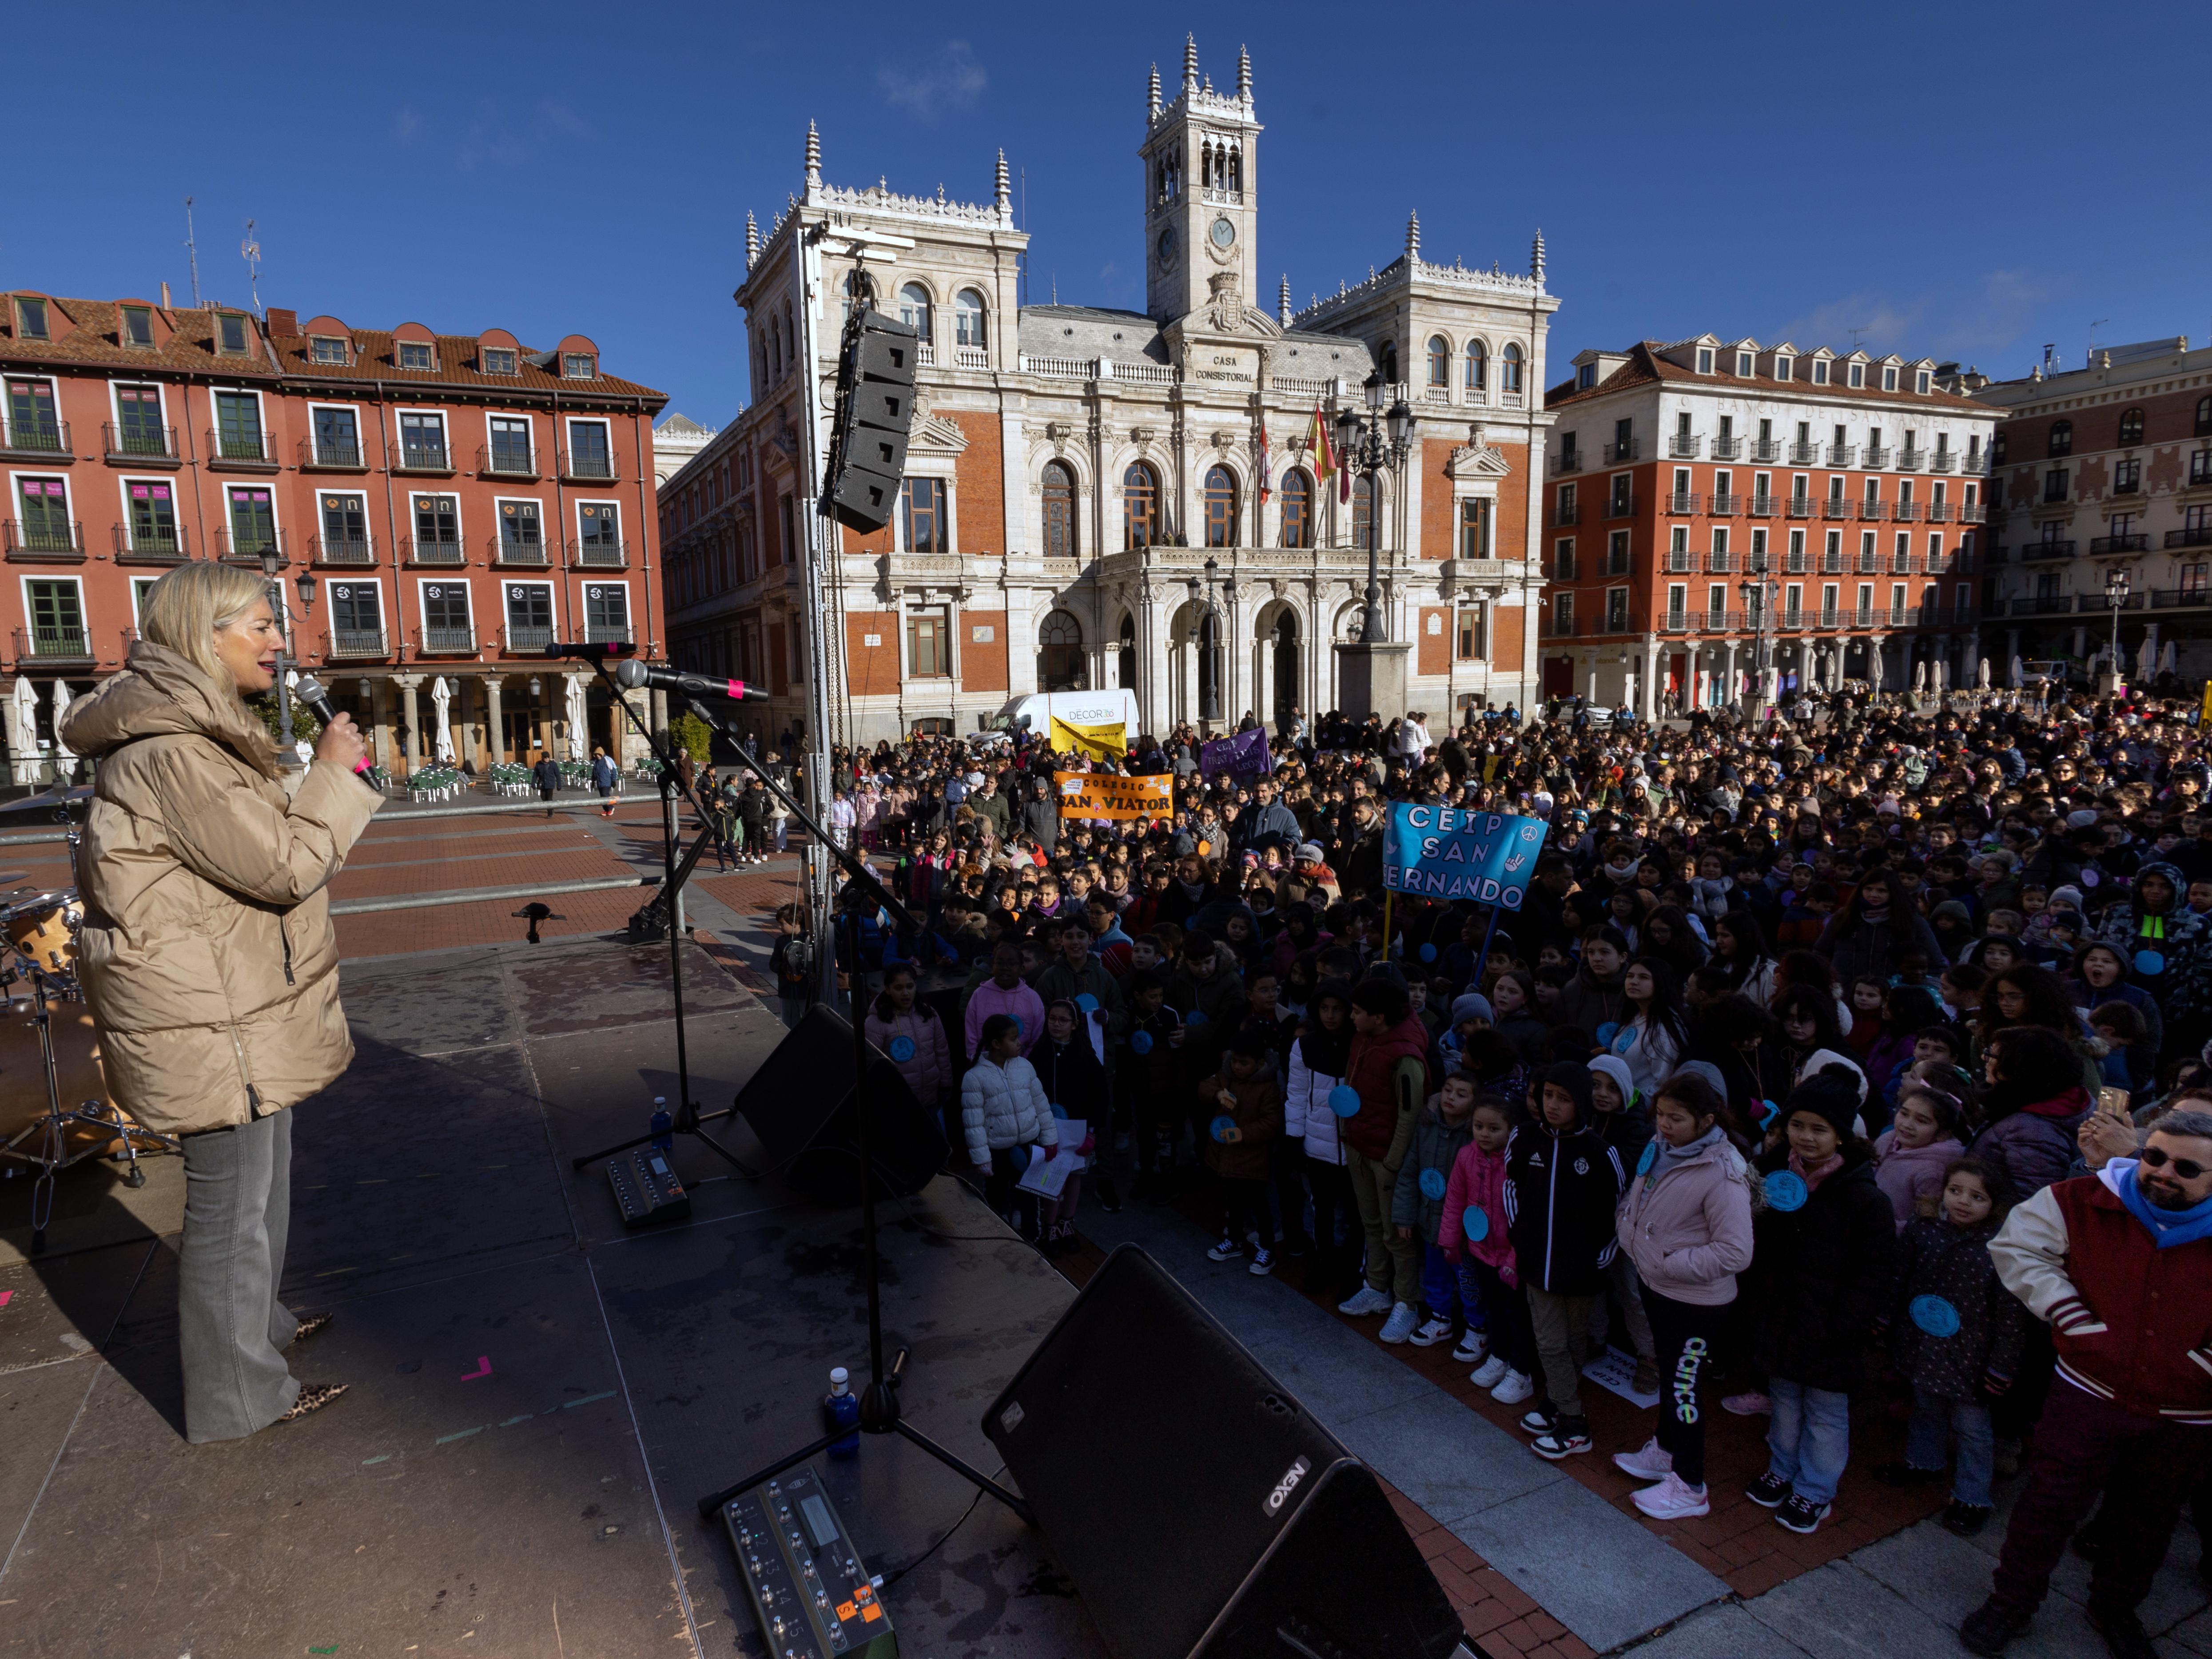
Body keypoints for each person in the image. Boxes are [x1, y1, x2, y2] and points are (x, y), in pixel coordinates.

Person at [60, 561, 383, 1440]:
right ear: (205, 636)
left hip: (233, 1001)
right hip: (208, 1015)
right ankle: (238, 1397)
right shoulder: (175, 751)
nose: (279, 639)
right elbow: (282, 865)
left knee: (260, 1188)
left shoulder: (196, 735)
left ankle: (260, 1330)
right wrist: (335, 774)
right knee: (230, 1207)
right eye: (259, 624)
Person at [1961, 1113, 2212, 1658]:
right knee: (2047, 1507)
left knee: (2147, 1521)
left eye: (2187, 1168)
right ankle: (2011, 1602)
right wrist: (2067, 1312)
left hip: (2184, 1414)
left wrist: (2205, 1362)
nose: (2163, 1173)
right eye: (2154, 1157)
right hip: (2087, 1394)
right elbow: (2018, 1246)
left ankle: (2115, 1608)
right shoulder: (2080, 1199)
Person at [1743, 1069, 1896, 1535]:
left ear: (1841, 1135)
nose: (1806, 1137)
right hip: (1780, 1315)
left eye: (1819, 1129)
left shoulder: (1865, 1198)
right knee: (1785, 1401)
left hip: (1832, 1327)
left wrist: (1846, 1324)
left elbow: (1875, 1272)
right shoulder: (1771, 1174)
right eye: (1797, 1125)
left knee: (1827, 1414)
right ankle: (1782, 1467)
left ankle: (1815, 1489)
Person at [1611, 1068, 1756, 1520]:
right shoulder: (1662, 1147)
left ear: (1707, 1120)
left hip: (1695, 1301)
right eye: (1661, 1114)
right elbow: (1641, 1192)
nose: (1664, 1124)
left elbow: (1736, 1251)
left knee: (1683, 1387)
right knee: (1672, 1377)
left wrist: (1670, 1263)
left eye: (1676, 1118)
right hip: (1658, 1286)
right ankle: (1665, 1449)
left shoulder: (1722, 1172)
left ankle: (1691, 1485)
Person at [1873, 1158, 2027, 1538]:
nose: (1963, 1201)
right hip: (1923, 1344)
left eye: (1977, 1196)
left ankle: (1972, 1496)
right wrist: (1885, 1318)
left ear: (1995, 1203)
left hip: (1971, 1356)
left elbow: (2011, 1317)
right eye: (1955, 1191)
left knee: (1973, 1428)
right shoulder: (1924, 1229)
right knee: (1925, 1407)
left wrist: (2002, 1366)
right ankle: (1924, 1461)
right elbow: (1899, 1275)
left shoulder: (2002, 1248)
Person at [1504, 1063, 1627, 1460]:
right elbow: (1511, 1187)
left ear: (1582, 1102)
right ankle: (1574, 1422)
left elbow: (1619, 1208)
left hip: (1583, 1270)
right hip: (1537, 1264)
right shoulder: (1525, 1138)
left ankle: (1555, 1401)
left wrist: (1601, 1256)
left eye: (1564, 1098)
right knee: (1550, 1341)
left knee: (1575, 1340)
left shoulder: (1600, 1152)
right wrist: (1521, 1239)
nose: (1552, 1105)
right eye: (1547, 1095)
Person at [1333, 978, 1432, 1342]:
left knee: (1397, 1234)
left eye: (1358, 1012)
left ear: (1378, 1017)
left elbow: (1410, 1113)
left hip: (1386, 1158)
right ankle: (1377, 1286)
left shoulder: (1405, 1057)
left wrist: (1392, 1161)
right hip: (1360, 1146)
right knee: (1371, 1223)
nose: (1351, 1017)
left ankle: (1407, 1302)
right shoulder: (1363, 1038)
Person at [1441, 1093, 1534, 1397]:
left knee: (1517, 1314)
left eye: (1494, 1128)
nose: (1484, 1134)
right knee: (1493, 1308)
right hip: (1481, 1250)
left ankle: (1521, 1370)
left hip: (1512, 1257)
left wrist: (1515, 1258)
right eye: (1479, 1126)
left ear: (1511, 1129)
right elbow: (1455, 1199)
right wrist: (1450, 1240)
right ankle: (1499, 1355)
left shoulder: (1518, 1162)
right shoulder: (1466, 1156)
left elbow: (1528, 1216)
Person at [1393, 1069, 1480, 1348]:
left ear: (1475, 1103)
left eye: (1461, 1094)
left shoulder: (1475, 1135)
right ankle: (1440, 1319)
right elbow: (1409, 1173)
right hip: (1430, 1220)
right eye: (1447, 1090)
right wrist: (1405, 1217)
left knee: (1467, 1280)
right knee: (1435, 1274)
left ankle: (1478, 1329)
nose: (1451, 1097)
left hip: (1462, 1230)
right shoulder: (1427, 1126)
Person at [1286, 979, 1358, 1298]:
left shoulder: (1361, 1044)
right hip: (1317, 1145)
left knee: (1357, 1214)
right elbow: (1297, 1094)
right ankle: (1325, 1262)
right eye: (1325, 1008)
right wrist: (1294, 1138)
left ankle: (1355, 1271)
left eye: (1337, 1009)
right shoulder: (1304, 1046)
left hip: (1355, 1146)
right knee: (1323, 1211)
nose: (1330, 1015)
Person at [960, 1013, 1059, 1231]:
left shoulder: (1025, 1067)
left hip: (1029, 1146)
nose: (1020, 1043)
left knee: (1030, 1197)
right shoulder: (975, 1077)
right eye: (1013, 1039)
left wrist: (1050, 1139)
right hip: (997, 1152)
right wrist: (982, 1159)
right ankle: (998, 1238)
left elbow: (1041, 1105)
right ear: (996, 1044)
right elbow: (974, 1123)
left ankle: (1032, 1238)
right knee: (996, 1198)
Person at [1199, 1028, 1284, 1274]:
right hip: (1227, 1154)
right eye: (1235, 1061)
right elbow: (1204, 1087)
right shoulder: (1225, 1076)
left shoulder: (1268, 1087)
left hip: (1252, 1158)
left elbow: (1272, 1122)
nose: (1237, 1067)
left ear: (1259, 1063)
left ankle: (1267, 1248)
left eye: (1244, 1063)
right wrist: (1217, 1093)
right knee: (1233, 1201)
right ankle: (1234, 1240)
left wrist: (1243, 1134)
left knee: (1259, 1204)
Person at [866, 963, 953, 1141]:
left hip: (930, 1098)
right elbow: (871, 1067)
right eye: (899, 988)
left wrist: (946, 1083)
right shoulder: (876, 1023)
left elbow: (942, 1052)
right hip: (898, 1103)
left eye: (910, 986)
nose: (905, 993)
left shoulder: (929, 1014)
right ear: (888, 989)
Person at [591, 744, 620, 818]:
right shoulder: (596, 762)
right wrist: (593, 781)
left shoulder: (607, 760)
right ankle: (606, 810)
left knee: (605, 795)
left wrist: (613, 781)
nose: (597, 756)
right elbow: (594, 772)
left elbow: (613, 770)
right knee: (602, 797)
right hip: (599, 782)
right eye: (596, 755)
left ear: (601, 754)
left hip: (607, 782)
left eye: (598, 754)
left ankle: (611, 808)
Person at [532, 748, 561, 816]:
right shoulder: (538, 764)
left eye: (548, 757)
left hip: (551, 783)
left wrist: (559, 785)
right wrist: (533, 783)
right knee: (543, 798)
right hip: (542, 784)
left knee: (549, 798)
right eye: (546, 757)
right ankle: (551, 808)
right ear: (542, 758)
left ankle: (550, 813)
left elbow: (558, 775)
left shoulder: (553, 764)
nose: (547, 759)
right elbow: (535, 775)